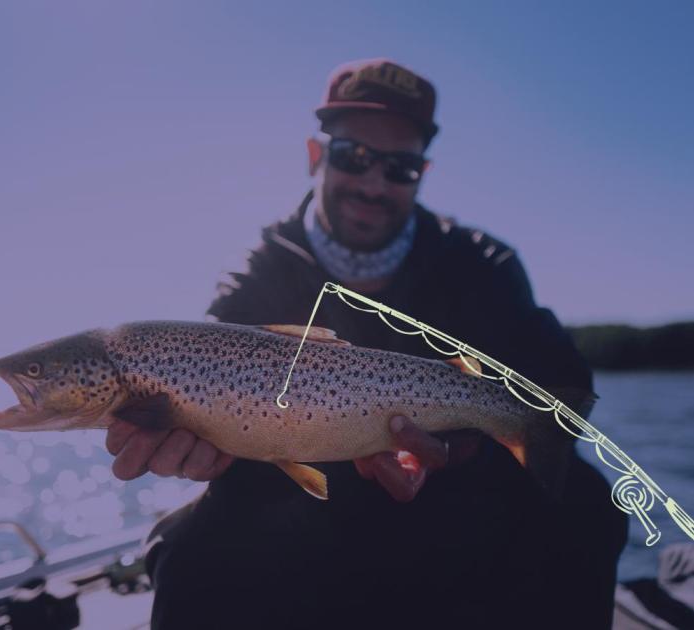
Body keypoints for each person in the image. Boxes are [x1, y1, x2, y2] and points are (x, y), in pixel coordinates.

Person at [105, 59, 628, 629]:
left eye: (399, 168)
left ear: (422, 173)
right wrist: (199, 449)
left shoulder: (484, 265)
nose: (374, 184)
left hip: (457, 506)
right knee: (186, 550)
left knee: (585, 503)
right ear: (315, 156)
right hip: (307, 509)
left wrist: (457, 456)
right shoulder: (256, 276)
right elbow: (231, 444)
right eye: (354, 156)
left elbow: (556, 404)